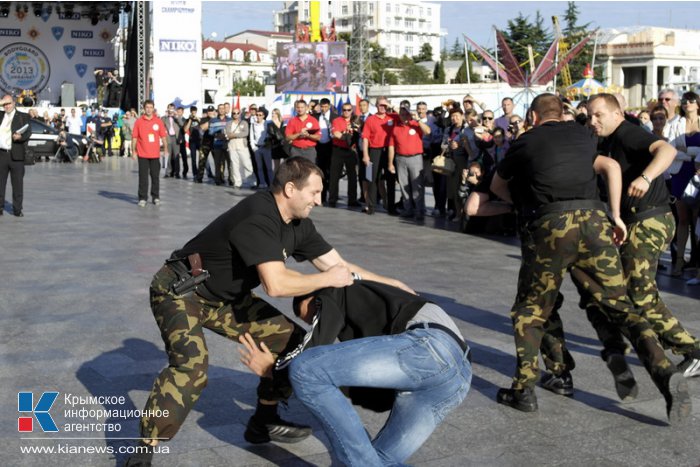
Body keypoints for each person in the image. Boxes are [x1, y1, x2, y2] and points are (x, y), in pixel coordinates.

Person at [125, 157, 413, 466]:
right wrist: (329, 279)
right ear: (290, 189)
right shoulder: (258, 216)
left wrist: (392, 283)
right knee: (191, 367)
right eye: (314, 193)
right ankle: (143, 451)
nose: (318, 200)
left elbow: (339, 266)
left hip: (226, 299)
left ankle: (262, 420)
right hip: (180, 291)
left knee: (294, 346)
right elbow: (275, 285)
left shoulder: (299, 225)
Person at [490, 93, 691, 424]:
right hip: (595, 223)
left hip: (551, 224)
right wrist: (614, 215)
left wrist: (524, 207)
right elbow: (610, 166)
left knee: (532, 309)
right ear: (564, 114)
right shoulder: (585, 135)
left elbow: (498, 185)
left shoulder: (526, 141)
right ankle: (665, 372)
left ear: (534, 118)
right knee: (622, 307)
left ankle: (525, 389)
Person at [238, 280, 471, 467]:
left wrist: (273, 370)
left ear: (313, 297)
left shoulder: (333, 292)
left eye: (307, 314)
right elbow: (377, 399)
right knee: (379, 459)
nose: (311, 321)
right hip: (456, 379)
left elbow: (310, 360)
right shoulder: (369, 306)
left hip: (429, 347)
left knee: (305, 368)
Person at [582, 93, 700, 384]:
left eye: (598, 115)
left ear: (616, 113)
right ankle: (651, 342)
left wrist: (645, 177)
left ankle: (693, 350)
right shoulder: (606, 141)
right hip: (634, 221)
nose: (593, 121)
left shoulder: (627, 132)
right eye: (589, 116)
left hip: (650, 219)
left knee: (639, 291)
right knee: (627, 289)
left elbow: (667, 152)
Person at [388, 105, 431, 221]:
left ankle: (419, 211)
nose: (405, 116)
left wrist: (417, 120)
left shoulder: (416, 125)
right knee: (403, 185)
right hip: (400, 159)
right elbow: (391, 147)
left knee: (417, 186)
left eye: (407, 114)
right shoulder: (396, 128)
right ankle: (408, 210)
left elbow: (428, 131)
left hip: (415, 158)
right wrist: (390, 163)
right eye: (402, 114)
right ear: (399, 116)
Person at [362, 97, 398, 215]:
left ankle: (391, 207)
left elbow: (404, 114)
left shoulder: (393, 117)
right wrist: (365, 155)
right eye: (380, 105)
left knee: (391, 179)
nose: (383, 107)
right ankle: (371, 206)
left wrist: (391, 106)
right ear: (376, 106)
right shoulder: (370, 119)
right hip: (374, 151)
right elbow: (365, 138)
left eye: (385, 105)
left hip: (390, 151)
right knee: (370, 178)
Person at [131, 100, 168, 208]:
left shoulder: (158, 121)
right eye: (147, 107)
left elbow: (163, 137)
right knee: (143, 177)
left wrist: (165, 149)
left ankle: (155, 196)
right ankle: (142, 198)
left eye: (150, 107)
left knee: (155, 177)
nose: (148, 109)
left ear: (153, 108)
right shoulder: (139, 121)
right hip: (142, 154)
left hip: (155, 154)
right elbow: (134, 137)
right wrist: (133, 151)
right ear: (144, 108)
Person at [0, 95, 32, 217]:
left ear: (14, 103)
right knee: (0, 183)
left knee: (17, 184)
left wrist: (21, 137)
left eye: (9, 103)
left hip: (16, 155)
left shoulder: (23, 116)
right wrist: (2, 101)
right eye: (4, 104)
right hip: (1, 154)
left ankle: (17, 209)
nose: (7, 106)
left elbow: (29, 132)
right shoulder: (1, 115)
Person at [225, 107, 253, 188]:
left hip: (242, 147)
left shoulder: (244, 123)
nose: (236, 115)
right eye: (234, 113)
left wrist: (234, 135)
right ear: (232, 114)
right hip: (232, 147)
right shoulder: (228, 123)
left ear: (240, 113)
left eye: (237, 113)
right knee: (234, 165)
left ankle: (251, 182)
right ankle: (237, 183)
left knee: (247, 164)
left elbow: (245, 133)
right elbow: (227, 134)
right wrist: (237, 134)